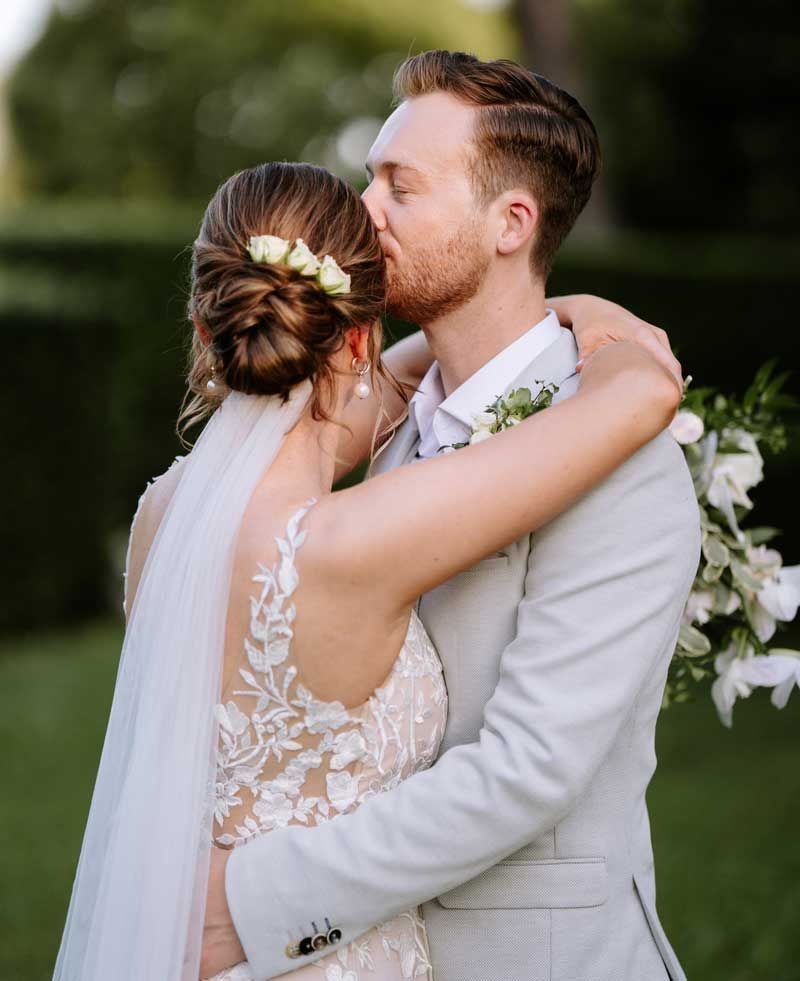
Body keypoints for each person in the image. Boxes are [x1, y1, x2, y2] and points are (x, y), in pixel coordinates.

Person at [201, 52, 701, 981]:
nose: (363, 211)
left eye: (400, 185)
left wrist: (251, 904)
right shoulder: (385, 416)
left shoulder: (620, 460)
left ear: (512, 222)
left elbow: (527, 772)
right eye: (367, 177)